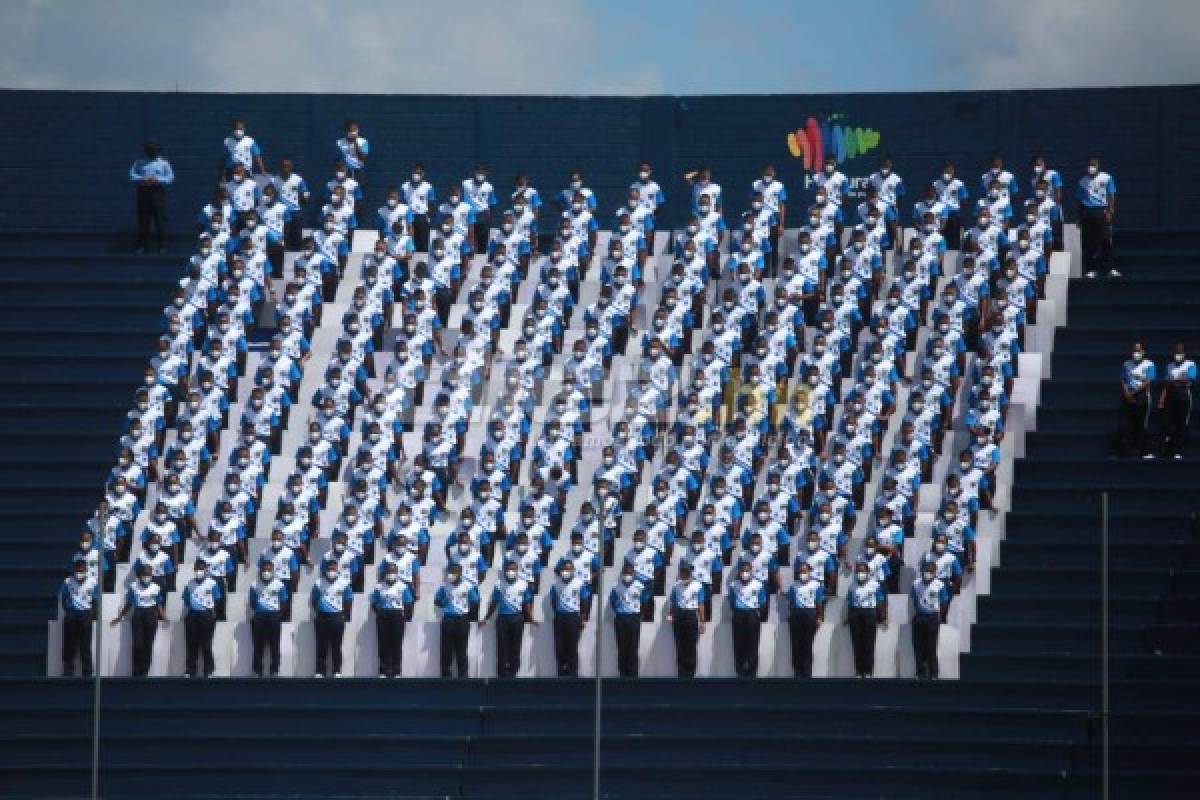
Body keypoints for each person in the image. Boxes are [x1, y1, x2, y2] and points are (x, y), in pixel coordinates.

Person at [481, 560, 535, 678]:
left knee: (516, 647)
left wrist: (531, 618)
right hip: (502, 619)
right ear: (504, 571)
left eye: (513, 570)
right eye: (508, 570)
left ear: (517, 571)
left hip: (517, 618)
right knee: (502, 647)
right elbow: (494, 602)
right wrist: (486, 618)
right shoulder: (498, 584)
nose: (511, 572)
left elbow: (527, 603)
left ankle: (513, 672)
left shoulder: (523, 584)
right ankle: (502, 674)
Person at [110, 564, 166, 677]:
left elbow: (159, 603)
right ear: (140, 575)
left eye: (149, 575)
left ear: (152, 575)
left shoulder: (156, 587)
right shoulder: (134, 586)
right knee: (138, 644)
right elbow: (129, 603)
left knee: (148, 644)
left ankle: (145, 671)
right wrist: (120, 616)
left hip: (151, 614)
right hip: (138, 614)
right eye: (144, 575)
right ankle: (136, 670)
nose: (146, 577)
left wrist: (163, 615)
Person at [370, 562, 415, 678]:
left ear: (397, 573)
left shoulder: (403, 586)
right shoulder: (379, 587)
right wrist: (380, 612)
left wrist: (405, 617)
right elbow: (374, 603)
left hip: (397, 616)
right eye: (389, 572)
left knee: (396, 644)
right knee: (383, 644)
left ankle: (396, 671)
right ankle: (383, 671)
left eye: (393, 572)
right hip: (383, 616)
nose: (391, 574)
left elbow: (408, 603)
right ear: (385, 573)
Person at [434, 563, 479, 678]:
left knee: (461, 651)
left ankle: (463, 677)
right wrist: (445, 604)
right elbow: (437, 601)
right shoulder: (444, 586)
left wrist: (468, 616)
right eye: (450, 572)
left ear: (459, 573)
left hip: (462, 620)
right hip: (448, 619)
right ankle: (445, 676)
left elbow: (474, 602)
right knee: (446, 651)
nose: (451, 574)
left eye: (454, 572)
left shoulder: (468, 586)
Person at [129, 140, 174, 254]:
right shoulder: (139, 162)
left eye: (154, 151)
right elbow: (131, 175)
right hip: (143, 192)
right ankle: (142, 246)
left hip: (157, 192)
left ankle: (162, 246)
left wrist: (157, 180)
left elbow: (170, 178)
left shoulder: (164, 163)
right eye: (150, 151)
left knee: (160, 220)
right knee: (143, 220)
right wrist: (142, 178)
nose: (152, 153)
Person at [1077, 156, 1118, 278]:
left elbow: (1111, 194)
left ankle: (1110, 268)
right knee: (1090, 242)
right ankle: (1091, 269)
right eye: (1089, 165)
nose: (1091, 167)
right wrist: (1079, 217)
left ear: (1098, 165)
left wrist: (1110, 211)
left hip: (1102, 211)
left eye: (1094, 165)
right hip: (1088, 212)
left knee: (1106, 240)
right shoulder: (1082, 181)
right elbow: (1079, 200)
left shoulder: (1107, 177)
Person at [310, 562, 353, 677]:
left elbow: (348, 600)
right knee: (321, 645)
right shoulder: (319, 583)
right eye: (329, 569)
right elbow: (313, 600)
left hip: (337, 617)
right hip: (322, 617)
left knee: (336, 646)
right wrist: (319, 611)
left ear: (337, 570)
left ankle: (337, 670)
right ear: (325, 570)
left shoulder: (344, 583)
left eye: (333, 569)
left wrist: (344, 615)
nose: (331, 571)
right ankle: (320, 671)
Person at [549, 560, 592, 677]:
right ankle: (561, 672)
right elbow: (553, 601)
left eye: (569, 569)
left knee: (572, 646)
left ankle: (573, 673)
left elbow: (585, 602)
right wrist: (559, 612)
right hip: (560, 618)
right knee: (559, 647)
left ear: (573, 570)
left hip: (573, 618)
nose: (566, 571)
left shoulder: (579, 584)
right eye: (564, 569)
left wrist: (583, 618)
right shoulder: (555, 585)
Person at [181, 558, 223, 677]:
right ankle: (190, 669)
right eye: (197, 569)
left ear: (205, 570)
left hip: (207, 616)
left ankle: (208, 670)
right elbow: (186, 601)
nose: (199, 571)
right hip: (192, 616)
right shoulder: (189, 584)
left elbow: (217, 599)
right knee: (191, 643)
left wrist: (211, 612)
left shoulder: (212, 583)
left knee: (206, 644)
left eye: (201, 569)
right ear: (194, 569)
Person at [845, 562, 886, 678]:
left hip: (870, 613)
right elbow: (849, 603)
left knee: (869, 644)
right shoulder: (852, 586)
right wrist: (848, 616)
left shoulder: (875, 585)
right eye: (858, 571)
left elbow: (880, 601)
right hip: (855, 614)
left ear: (868, 573)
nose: (860, 574)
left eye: (863, 571)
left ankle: (868, 672)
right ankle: (859, 671)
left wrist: (882, 616)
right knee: (857, 644)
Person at [248, 561, 289, 677]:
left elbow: (284, 601)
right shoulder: (254, 585)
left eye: (269, 570)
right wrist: (260, 611)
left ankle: (274, 670)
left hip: (274, 616)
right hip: (259, 617)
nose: (266, 572)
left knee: (275, 645)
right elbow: (252, 602)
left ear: (273, 571)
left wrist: (278, 615)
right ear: (260, 571)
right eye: (264, 570)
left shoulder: (279, 584)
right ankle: (257, 671)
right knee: (258, 645)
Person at [727, 562, 767, 678]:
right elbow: (732, 601)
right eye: (743, 570)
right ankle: (740, 671)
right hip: (739, 614)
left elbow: (763, 602)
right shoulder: (734, 585)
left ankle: (752, 672)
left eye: (747, 570)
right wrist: (737, 611)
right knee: (739, 644)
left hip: (753, 615)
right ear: (739, 572)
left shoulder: (758, 585)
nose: (745, 573)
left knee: (753, 644)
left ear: (751, 571)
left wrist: (757, 614)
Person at [666, 562, 706, 678]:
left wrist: (702, 622)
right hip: (679, 615)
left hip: (691, 615)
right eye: (682, 571)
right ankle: (681, 672)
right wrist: (670, 614)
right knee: (680, 644)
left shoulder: (698, 586)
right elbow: (673, 602)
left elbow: (701, 604)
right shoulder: (676, 586)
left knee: (691, 645)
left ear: (690, 572)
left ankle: (690, 672)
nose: (684, 574)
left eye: (686, 572)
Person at [785, 562, 825, 677]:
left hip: (810, 614)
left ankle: (807, 672)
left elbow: (819, 602)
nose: (802, 573)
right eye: (801, 571)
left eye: (805, 571)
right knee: (796, 644)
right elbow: (791, 603)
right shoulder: (794, 586)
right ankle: (797, 672)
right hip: (797, 614)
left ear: (809, 572)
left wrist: (819, 617)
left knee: (807, 644)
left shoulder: (816, 585)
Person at [910, 562, 950, 679]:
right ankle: (920, 672)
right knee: (918, 646)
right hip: (919, 617)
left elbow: (944, 602)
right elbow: (914, 600)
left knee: (931, 646)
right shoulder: (916, 584)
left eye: (931, 571)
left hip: (932, 617)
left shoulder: (939, 585)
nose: (928, 573)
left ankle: (934, 672)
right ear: (922, 571)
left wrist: (940, 617)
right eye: (926, 570)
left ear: (935, 573)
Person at [59, 561, 99, 677]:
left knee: (85, 645)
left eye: (82, 571)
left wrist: (91, 615)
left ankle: (87, 671)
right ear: (74, 570)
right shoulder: (68, 582)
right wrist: (68, 611)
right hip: (72, 614)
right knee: (68, 644)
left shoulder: (93, 582)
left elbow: (95, 601)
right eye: (77, 571)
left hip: (86, 615)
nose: (79, 573)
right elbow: (63, 598)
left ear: (86, 571)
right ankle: (68, 670)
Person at [1117, 342, 1156, 458]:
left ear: (1143, 352)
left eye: (1138, 351)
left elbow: (1148, 381)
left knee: (1141, 425)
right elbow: (1123, 380)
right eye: (1134, 350)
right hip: (1127, 396)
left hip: (1141, 396)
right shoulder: (1126, 364)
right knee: (1127, 424)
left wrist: (1133, 393)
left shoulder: (1149, 364)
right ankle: (1128, 451)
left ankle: (1145, 451)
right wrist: (1126, 393)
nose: (1136, 353)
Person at [609, 563, 649, 677]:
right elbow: (612, 601)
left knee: (633, 646)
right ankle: (623, 672)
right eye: (625, 573)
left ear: (634, 574)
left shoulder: (639, 586)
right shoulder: (616, 586)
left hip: (634, 617)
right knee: (621, 646)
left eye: (630, 573)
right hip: (621, 618)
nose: (627, 575)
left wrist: (640, 615)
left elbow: (645, 601)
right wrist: (618, 610)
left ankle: (633, 673)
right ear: (622, 574)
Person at [1159, 343, 1195, 459]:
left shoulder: (1191, 364)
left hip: (1184, 396)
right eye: (1176, 353)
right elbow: (1167, 384)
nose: (1177, 355)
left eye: (1180, 353)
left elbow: (1189, 379)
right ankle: (1166, 450)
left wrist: (1176, 380)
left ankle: (1177, 451)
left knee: (1181, 425)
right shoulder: (1169, 366)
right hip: (1170, 397)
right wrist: (1162, 398)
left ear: (1184, 354)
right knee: (1167, 424)